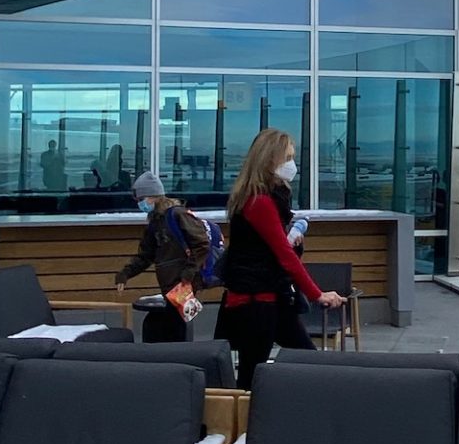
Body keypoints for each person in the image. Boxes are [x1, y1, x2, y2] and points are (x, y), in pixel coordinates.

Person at [219, 128, 342, 387]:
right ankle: (243, 425)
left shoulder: (257, 200)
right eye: (287, 157)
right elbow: (283, 255)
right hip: (258, 301)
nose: (292, 164)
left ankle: (252, 422)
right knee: (254, 375)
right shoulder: (260, 202)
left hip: (269, 298)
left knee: (298, 361)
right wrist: (317, 294)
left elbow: (273, 249)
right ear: (270, 159)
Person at [114, 169, 211, 343]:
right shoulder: (155, 222)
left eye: (141, 200)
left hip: (183, 283)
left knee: (176, 328)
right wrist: (126, 273)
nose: (140, 204)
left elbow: (202, 244)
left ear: (153, 196)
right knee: (170, 326)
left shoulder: (177, 215)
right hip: (171, 286)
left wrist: (189, 272)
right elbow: (146, 255)